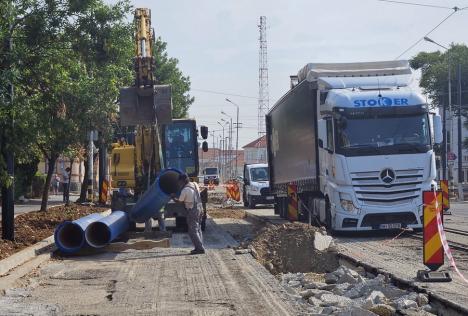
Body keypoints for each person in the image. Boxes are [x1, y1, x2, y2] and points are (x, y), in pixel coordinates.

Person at [173, 173, 205, 254]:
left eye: (180, 182)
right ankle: (200, 246)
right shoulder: (195, 184)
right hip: (200, 208)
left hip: (192, 211)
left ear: (183, 181)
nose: (179, 184)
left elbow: (179, 201)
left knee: (192, 231)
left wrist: (173, 197)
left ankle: (200, 249)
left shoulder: (185, 190)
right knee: (198, 229)